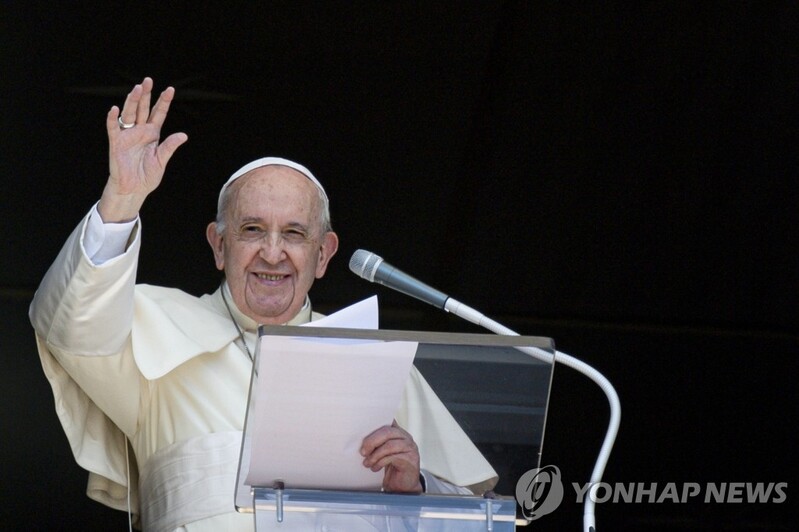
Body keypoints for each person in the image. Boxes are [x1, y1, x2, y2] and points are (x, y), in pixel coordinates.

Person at [29, 78, 497, 531]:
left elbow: (476, 516)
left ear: (323, 254)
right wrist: (122, 199)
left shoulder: (376, 363)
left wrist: (414, 488)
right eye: (252, 230)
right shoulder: (155, 329)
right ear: (218, 246)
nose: (273, 253)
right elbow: (73, 325)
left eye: (294, 233)